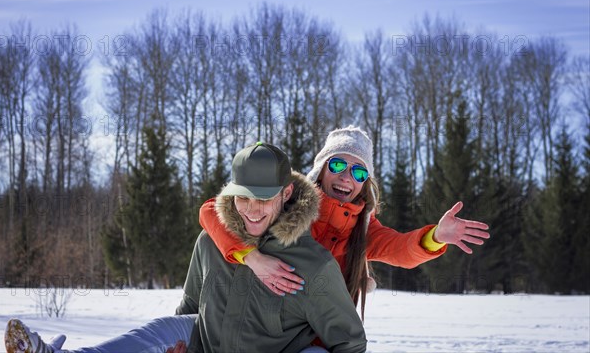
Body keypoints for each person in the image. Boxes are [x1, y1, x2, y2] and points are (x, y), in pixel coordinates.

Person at [5, 142, 367, 353]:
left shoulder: (313, 266)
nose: (252, 210)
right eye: (243, 197)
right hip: (206, 345)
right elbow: (192, 307)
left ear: (286, 194)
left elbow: (350, 345)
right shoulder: (211, 242)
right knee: (163, 329)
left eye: (264, 198)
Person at [199, 126, 491, 319]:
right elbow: (212, 209)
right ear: (322, 169)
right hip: (262, 325)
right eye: (338, 165)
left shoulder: (362, 228)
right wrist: (252, 257)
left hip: (318, 336)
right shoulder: (287, 199)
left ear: (365, 183)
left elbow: (401, 249)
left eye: (358, 172)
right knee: (204, 244)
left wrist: (436, 236)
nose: (346, 177)